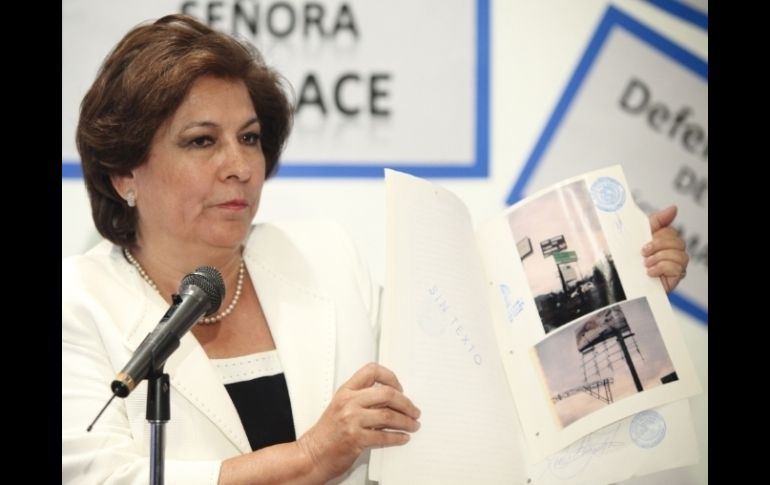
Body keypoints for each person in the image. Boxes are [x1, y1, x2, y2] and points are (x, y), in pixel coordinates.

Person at [62, 14, 689, 485]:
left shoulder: (324, 255)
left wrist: (620, 280)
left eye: (249, 138)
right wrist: (310, 456)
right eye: (202, 141)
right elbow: (105, 477)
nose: (240, 166)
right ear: (123, 174)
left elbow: (472, 373)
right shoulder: (78, 304)